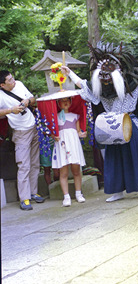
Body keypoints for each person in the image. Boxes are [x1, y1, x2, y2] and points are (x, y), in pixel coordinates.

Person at [62, 43, 138, 202]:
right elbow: (83, 85)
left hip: (130, 123)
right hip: (110, 127)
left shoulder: (133, 86)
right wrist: (69, 73)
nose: (106, 81)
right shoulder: (101, 92)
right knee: (114, 159)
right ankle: (117, 191)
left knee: (137, 156)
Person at [0, 70, 45, 211]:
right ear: (2, 85)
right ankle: (24, 198)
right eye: (9, 80)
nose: (13, 81)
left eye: (12, 78)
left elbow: (33, 99)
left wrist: (27, 101)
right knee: (23, 165)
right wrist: (10, 110)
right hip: (20, 132)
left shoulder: (19, 84)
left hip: (33, 127)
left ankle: (33, 192)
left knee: (34, 162)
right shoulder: (1, 96)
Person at [52, 97, 87, 207]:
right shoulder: (56, 117)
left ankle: (78, 193)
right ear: (58, 103)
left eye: (67, 100)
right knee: (64, 172)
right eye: (62, 100)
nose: (65, 102)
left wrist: (82, 133)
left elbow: (78, 131)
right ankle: (66, 196)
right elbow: (53, 132)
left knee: (76, 171)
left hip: (73, 144)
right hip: (62, 145)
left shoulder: (75, 116)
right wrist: (54, 136)